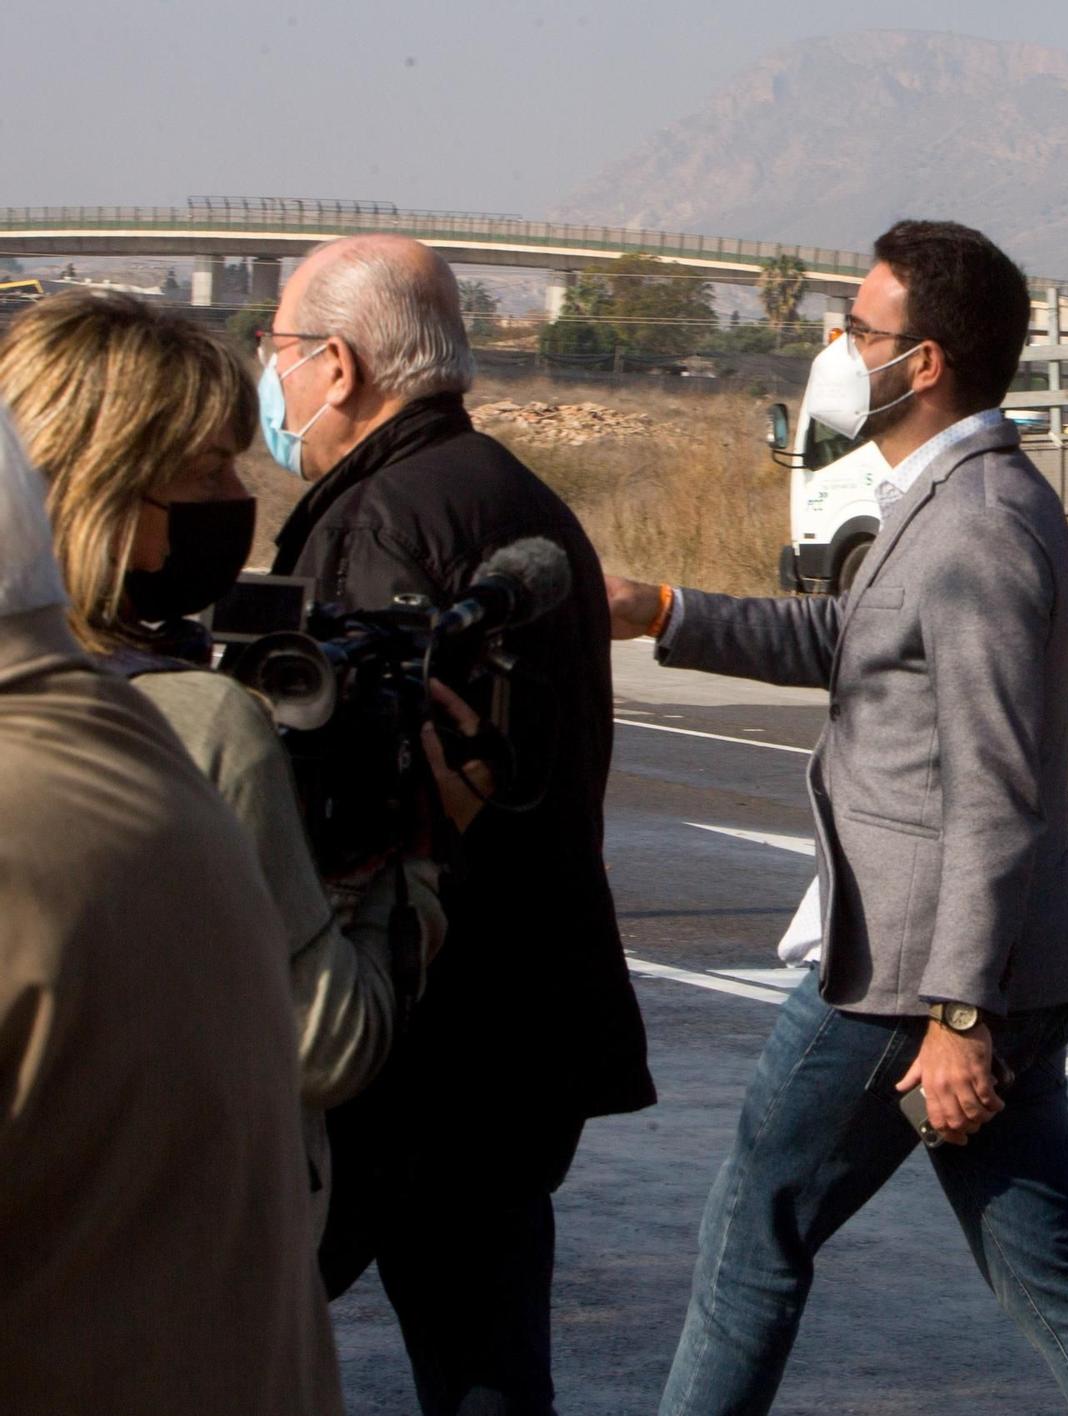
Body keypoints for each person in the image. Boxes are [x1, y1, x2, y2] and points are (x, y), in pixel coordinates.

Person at [606, 219, 1068, 1416]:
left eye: (858, 329)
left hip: (907, 982)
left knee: (749, 1238)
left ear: (920, 363)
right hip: (975, 973)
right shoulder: (942, 499)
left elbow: (997, 785)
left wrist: (958, 1015)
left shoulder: (974, 524)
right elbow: (850, 645)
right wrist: (661, 608)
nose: (835, 347)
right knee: (1050, 1280)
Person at [264, 234, 655, 1416]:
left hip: (423, 1026)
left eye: (276, 350)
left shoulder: (380, 520)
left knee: (225, 1323)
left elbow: (346, 798)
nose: (269, 380)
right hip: (526, 1021)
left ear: (337, 365)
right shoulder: (516, 498)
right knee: (484, 1360)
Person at [0, 290, 466, 1244]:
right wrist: (410, 860)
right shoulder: (198, 720)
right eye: (209, 470)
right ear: (113, 494)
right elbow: (328, 1043)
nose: (232, 502)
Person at [0, 406, 343, 1415]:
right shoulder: (146, 736)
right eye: (201, 471)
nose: (230, 501)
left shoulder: (176, 731)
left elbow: (329, 1040)